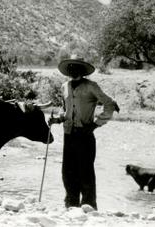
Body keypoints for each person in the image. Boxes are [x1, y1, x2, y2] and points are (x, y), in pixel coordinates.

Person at [49, 57, 119, 210]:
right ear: (68, 71)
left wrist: (95, 124)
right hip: (68, 135)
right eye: (71, 68)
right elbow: (65, 109)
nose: (73, 70)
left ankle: (89, 206)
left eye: (77, 68)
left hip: (85, 135)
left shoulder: (91, 86)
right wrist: (57, 119)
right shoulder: (64, 86)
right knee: (67, 171)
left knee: (85, 171)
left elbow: (110, 104)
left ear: (82, 71)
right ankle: (71, 204)